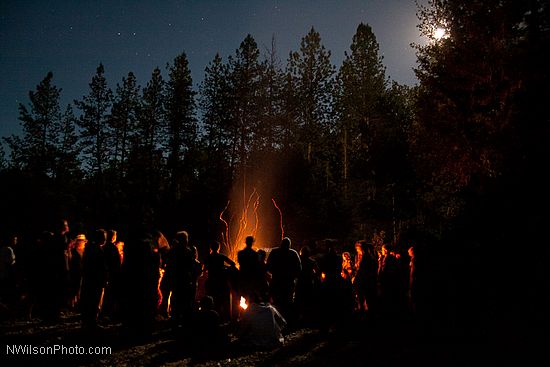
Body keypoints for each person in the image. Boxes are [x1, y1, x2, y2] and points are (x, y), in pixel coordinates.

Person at [266, 237, 301, 321]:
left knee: (276, 302)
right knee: (287, 302)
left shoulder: (274, 252)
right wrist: (293, 276)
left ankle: (276, 320)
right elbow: (299, 268)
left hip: (277, 281)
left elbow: (268, 265)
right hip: (288, 282)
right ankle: (287, 320)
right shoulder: (293, 253)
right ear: (289, 245)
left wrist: (274, 273)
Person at [80, 229, 107, 330]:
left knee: (90, 300)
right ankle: (91, 322)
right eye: (103, 237)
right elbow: (100, 267)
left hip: (90, 279)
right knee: (94, 301)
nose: (105, 240)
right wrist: (103, 278)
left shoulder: (89, 249)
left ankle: (87, 321)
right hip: (95, 280)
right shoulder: (96, 250)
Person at [204, 241, 235, 322]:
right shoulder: (222, 256)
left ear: (211, 248)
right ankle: (225, 319)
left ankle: (212, 319)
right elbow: (233, 263)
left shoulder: (208, 257)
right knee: (224, 301)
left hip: (211, 282)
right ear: (219, 248)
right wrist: (225, 268)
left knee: (213, 301)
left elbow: (204, 269)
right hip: (222, 283)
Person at [237, 236, 261, 302]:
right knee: (250, 297)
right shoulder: (255, 254)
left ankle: (240, 312)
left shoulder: (240, 253)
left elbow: (239, 262)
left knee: (240, 296)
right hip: (251, 278)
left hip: (242, 276)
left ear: (245, 242)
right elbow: (257, 266)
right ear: (252, 243)